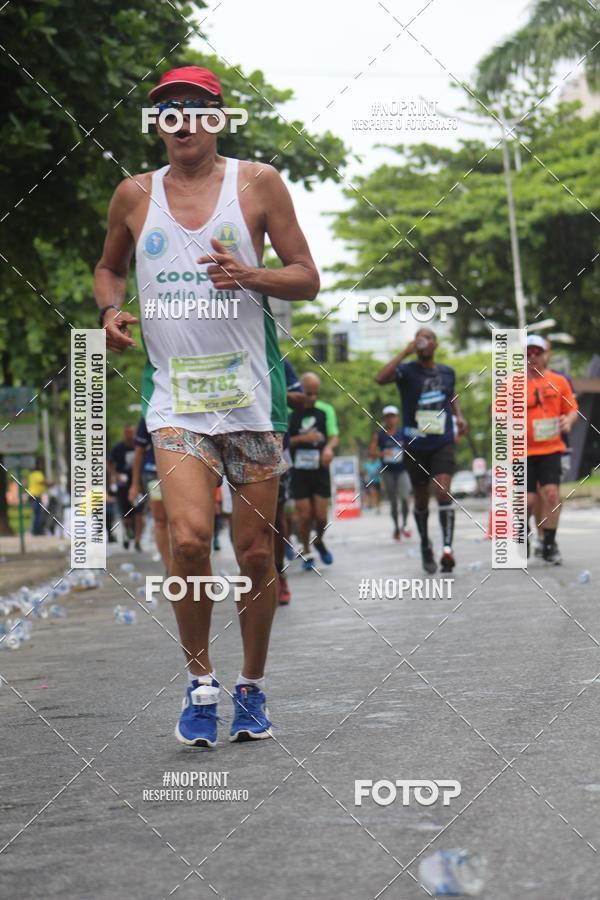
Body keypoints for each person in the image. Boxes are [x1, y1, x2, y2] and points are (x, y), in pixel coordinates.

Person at [95, 65, 319, 748]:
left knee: (254, 553)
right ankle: (199, 683)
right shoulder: (135, 196)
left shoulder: (257, 185)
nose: (182, 122)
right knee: (188, 539)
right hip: (177, 403)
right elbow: (108, 267)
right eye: (168, 111)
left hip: (252, 401)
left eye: (196, 110)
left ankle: (250, 684)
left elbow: (307, 276)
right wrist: (111, 309)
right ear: (157, 124)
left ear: (217, 119)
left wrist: (251, 274)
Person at [375, 329, 467, 573]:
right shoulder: (407, 371)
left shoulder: (447, 372)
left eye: (427, 338)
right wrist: (405, 352)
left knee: (443, 490)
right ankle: (426, 545)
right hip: (415, 444)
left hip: (442, 441)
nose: (423, 341)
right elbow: (380, 378)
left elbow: (451, 396)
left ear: (436, 344)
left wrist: (459, 417)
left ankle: (447, 549)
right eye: (418, 338)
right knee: (422, 499)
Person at [526, 335, 578, 564]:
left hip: (551, 449)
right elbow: (497, 413)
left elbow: (572, 409)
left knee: (552, 494)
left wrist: (569, 421)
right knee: (527, 500)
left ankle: (549, 543)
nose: (533, 357)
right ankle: (522, 537)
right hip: (522, 452)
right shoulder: (512, 385)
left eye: (537, 352)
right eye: (528, 353)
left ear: (545, 355)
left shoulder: (559, 381)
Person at [288, 373, 338, 570]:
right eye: (309, 393)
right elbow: (284, 440)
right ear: (300, 390)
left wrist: (328, 448)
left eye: (316, 394)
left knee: (321, 516)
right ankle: (307, 550)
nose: (313, 398)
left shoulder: (325, 410)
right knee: (304, 515)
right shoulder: (289, 412)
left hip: (320, 469)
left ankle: (319, 540)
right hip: (298, 470)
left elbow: (333, 436)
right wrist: (302, 439)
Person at [274, 359, 305, 606]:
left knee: (274, 517)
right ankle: (252, 577)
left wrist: (271, 388)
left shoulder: (279, 361)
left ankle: (279, 575)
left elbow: (299, 399)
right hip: (224, 444)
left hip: (274, 445)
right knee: (239, 523)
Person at [129, 417, 171, 570]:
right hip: (152, 473)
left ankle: (183, 561)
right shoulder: (147, 416)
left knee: (178, 519)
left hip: (178, 472)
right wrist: (134, 485)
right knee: (160, 520)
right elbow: (138, 453)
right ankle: (170, 568)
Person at [368, 404, 412, 539]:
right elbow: (371, 453)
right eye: (388, 417)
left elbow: (414, 445)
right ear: (384, 419)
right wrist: (382, 453)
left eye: (392, 416)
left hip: (403, 470)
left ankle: (405, 524)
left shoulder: (404, 432)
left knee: (405, 498)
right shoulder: (379, 435)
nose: (390, 419)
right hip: (388, 471)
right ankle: (396, 527)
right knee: (393, 501)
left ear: (397, 418)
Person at [109, 424, 144, 551]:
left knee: (139, 513)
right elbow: (109, 463)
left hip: (139, 484)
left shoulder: (140, 446)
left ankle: (138, 541)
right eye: (127, 432)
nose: (130, 435)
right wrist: (115, 475)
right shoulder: (118, 448)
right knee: (127, 516)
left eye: (132, 432)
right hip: (124, 486)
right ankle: (128, 532)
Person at [27, 465, 46, 536]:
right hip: (35, 495)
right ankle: (36, 531)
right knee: (37, 514)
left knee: (35, 513)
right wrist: (51, 483)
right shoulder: (38, 473)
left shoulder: (31, 474)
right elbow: (41, 482)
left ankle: (35, 530)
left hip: (31, 495)